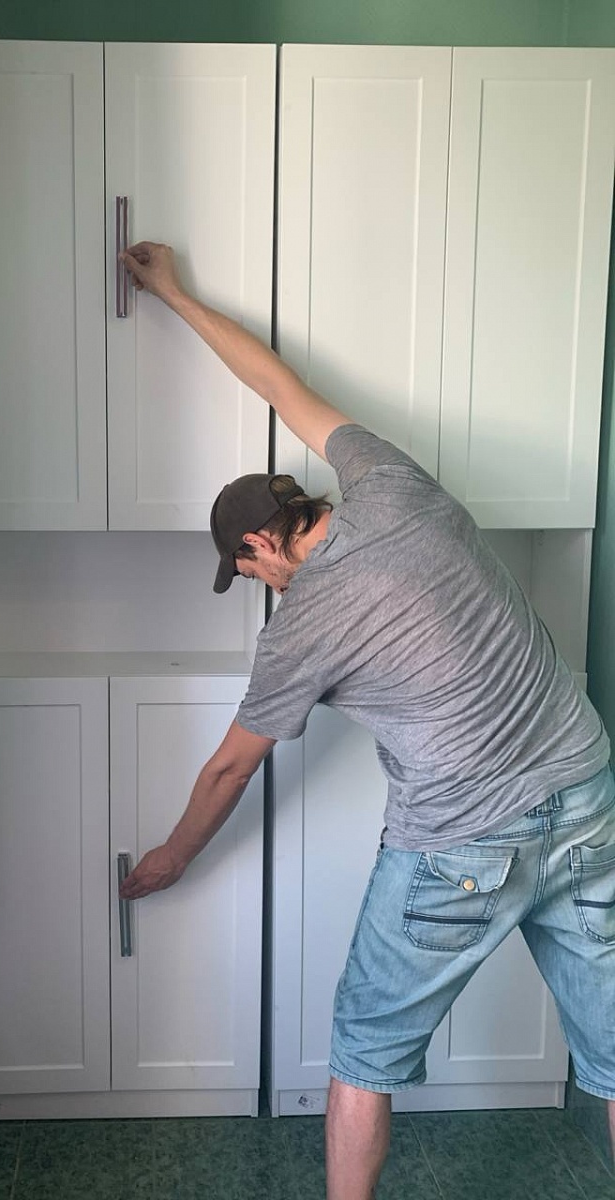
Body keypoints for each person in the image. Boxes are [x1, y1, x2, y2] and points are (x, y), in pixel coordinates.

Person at [117, 242, 615, 1199]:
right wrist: (175, 290)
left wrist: (173, 856)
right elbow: (279, 384)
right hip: (587, 788)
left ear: (260, 543)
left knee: (362, 1053)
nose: (257, 587)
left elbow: (228, 769)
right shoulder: (388, 479)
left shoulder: (300, 628)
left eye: (247, 572)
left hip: (462, 839)